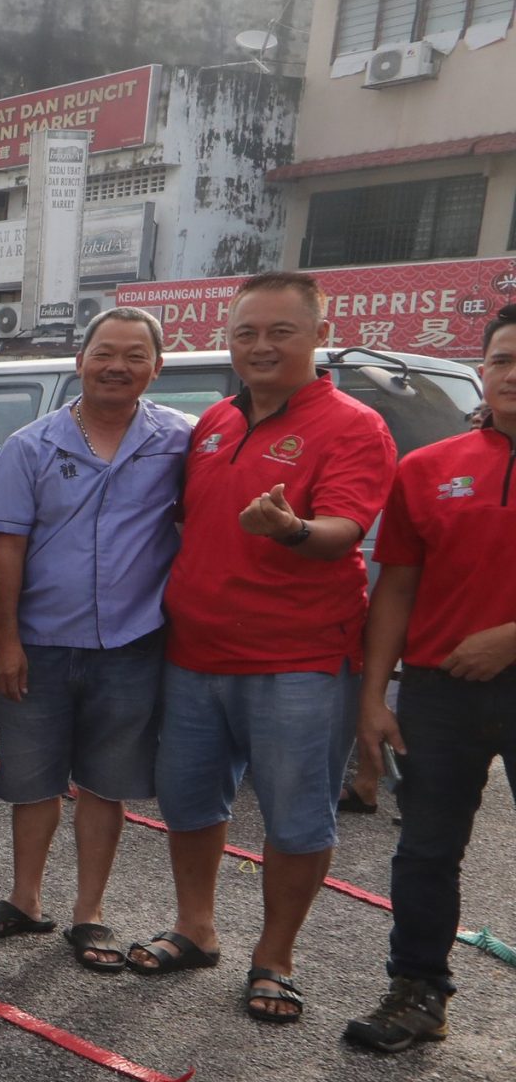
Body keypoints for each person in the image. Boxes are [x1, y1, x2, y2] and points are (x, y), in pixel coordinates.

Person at [141, 272, 396, 1024]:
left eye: (280, 331)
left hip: (299, 662)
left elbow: (343, 534)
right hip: (194, 654)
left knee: (296, 818)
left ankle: (275, 959)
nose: (260, 346)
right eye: (246, 331)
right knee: (189, 803)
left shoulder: (353, 425)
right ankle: (196, 928)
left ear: (320, 332)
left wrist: (289, 528)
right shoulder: (215, 420)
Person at [0, 308, 189, 966]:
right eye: (104, 353)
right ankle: (25, 898)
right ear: (80, 359)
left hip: (132, 645)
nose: (117, 366)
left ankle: (90, 914)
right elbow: (7, 550)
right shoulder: (30, 447)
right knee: (31, 780)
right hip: (42, 643)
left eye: (134, 355)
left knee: (105, 783)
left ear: (156, 367)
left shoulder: (180, 442)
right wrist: (7, 642)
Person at [344, 301, 516, 1052]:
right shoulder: (430, 468)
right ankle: (416, 992)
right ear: (483, 370)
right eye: (505, 358)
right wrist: (375, 696)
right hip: (441, 692)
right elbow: (397, 589)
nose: (514, 374)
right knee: (425, 850)